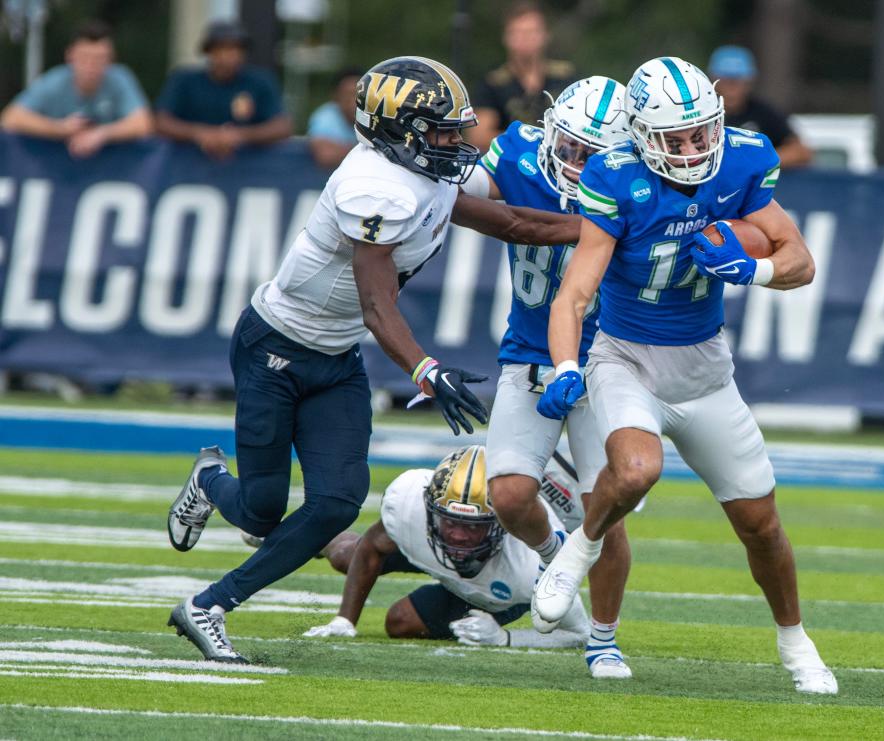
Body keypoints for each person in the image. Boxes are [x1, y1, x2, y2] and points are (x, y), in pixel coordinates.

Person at [164, 56, 581, 663]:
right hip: (275, 348)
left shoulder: (427, 174)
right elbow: (376, 303)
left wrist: (600, 230)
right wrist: (425, 369)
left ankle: (209, 605)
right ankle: (210, 481)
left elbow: (512, 221)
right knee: (260, 508)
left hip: (335, 358)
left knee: (336, 502)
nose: (454, 142)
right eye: (440, 129)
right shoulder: (373, 185)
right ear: (398, 130)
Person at [532, 56, 837, 695]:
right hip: (626, 360)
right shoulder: (614, 176)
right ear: (642, 135)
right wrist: (565, 364)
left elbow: (800, 260)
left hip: (705, 372)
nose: (695, 148)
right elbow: (573, 296)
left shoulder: (745, 159)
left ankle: (795, 642)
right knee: (637, 470)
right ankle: (581, 547)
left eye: (702, 133)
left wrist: (749, 271)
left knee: (762, 526)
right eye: (677, 138)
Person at [459, 76, 636, 678]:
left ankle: (604, 639)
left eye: (592, 154)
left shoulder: (638, 184)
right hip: (530, 352)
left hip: (608, 361)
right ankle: (560, 557)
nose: (574, 160)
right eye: (569, 145)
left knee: (603, 509)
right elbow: (463, 193)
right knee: (508, 495)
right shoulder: (518, 152)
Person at [302, 446, 589, 647]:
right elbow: (372, 548)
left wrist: (505, 639)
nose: (458, 536)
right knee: (345, 556)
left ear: (501, 524)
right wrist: (345, 620)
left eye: (473, 526)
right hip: (429, 546)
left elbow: (578, 634)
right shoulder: (409, 504)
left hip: (490, 591)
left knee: (401, 623)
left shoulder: (532, 563)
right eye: (450, 522)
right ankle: (298, 538)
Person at [0, 19, 152, 158]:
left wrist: (101, 134)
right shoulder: (55, 81)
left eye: (99, 59)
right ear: (70, 56)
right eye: (85, 57)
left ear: (111, 59)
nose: (91, 66)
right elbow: (11, 118)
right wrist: (60, 129)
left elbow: (142, 123)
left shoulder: (120, 78)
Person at [154, 20, 292, 159]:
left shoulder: (260, 81)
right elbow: (161, 121)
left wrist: (239, 135)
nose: (230, 55)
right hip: (184, 168)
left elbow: (282, 126)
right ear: (209, 51)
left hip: (248, 171)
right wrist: (199, 133)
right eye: (223, 48)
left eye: (237, 48)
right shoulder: (184, 80)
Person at [470, 1, 576, 153]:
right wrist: (536, 141)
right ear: (506, 37)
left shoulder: (566, 76)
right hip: (511, 165)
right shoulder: (493, 83)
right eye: (518, 33)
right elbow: (479, 136)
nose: (525, 39)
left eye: (532, 32)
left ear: (545, 35)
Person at [707, 45, 812, 169]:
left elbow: (800, 152)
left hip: (753, 186)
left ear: (749, 81)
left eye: (737, 81)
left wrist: (758, 163)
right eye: (725, 80)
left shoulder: (763, 112)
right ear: (713, 80)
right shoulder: (703, 111)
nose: (732, 88)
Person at [307, 67, 362, 169]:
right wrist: (369, 150)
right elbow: (326, 156)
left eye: (358, 94)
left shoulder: (375, 114)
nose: (354, 101)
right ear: (335, 95)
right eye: (348, 94)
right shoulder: (325, 117)